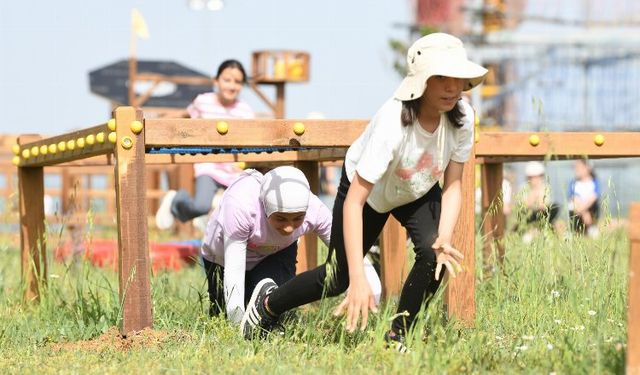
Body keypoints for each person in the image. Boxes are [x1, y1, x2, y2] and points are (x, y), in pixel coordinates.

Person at [239, 33, 488, 350]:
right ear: (421, 80)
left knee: (434, 255)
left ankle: (398, 337)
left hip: (416, 188)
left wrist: (444, 237)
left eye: (457, 77)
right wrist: (358, 279)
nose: (452, 87)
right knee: (337, 277)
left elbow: (453, 185)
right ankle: (269, 304)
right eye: (440, 77)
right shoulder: (392, 124)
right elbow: (354, 202)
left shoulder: (463, 119)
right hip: (369, 195)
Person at [201, 166, 332, 324]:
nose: (289, 227)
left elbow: (348, 254)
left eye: (297, 218)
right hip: (221, 257)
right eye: (281, 219)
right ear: (264, 207)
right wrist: (236, 326)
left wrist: (365, 288)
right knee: (221, 316)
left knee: (268, 315)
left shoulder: (315, 209)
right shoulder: (241, 205)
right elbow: (234, 271)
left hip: (273, 254)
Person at [156, 59, 254, 230]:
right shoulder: (203, 101)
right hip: (209, 165)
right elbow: (185, 116)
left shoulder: (244, 111)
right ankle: (176, 201)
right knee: (201, 206)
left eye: (237, 82)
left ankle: (216, 216)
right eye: (227, 80)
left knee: (246, 207)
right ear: (216, 81)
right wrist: (162, 124)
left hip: (234, 169)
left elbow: (250, 142)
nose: (232, 86)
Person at [518, 161, 559, 234]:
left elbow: (544, 206)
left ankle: (541, 228)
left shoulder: (545, 187)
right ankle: (532, 229)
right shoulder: (523, 187)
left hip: (541, 213)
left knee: (555, 207)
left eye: (538, 177)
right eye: (533, 177)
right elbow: (524, 206)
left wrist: (538, 194)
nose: (536, 179)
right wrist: (534, 194)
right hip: (529, 215)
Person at [567, 158, 600, 237]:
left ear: (587, 168)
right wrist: (583, 212)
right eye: (575, 167)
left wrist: (584, 210)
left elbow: (594, 196)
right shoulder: (574, 182)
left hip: (590, 209)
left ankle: (591, 227)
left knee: (595, 206)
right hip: (578, 209)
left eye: (579, 167)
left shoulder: (594, 182)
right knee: (571, 206)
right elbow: (574, 197)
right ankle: (574, 229)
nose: (576, 170)